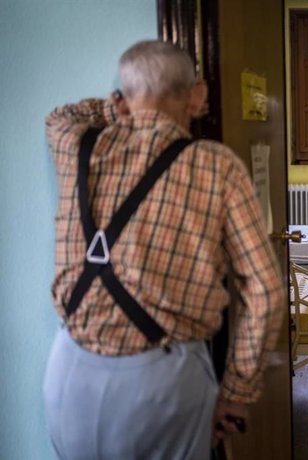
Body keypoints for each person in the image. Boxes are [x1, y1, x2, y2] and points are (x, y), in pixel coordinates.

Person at [42, 39, 285, 459]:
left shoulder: (78, 146)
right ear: (199, 95)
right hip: (160, 383)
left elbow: (59, 116)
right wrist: (236, 394)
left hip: (68, 371)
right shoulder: (216, 164)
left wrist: (115, 106)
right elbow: (264, 291)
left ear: (124, 94)